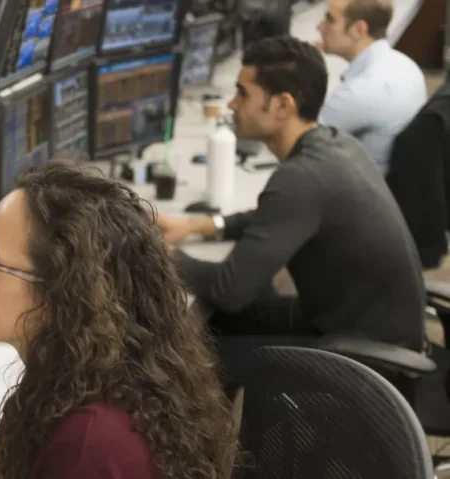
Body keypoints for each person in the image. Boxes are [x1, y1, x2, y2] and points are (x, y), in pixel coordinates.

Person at [0, 163, 239, 479]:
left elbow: (71, 456)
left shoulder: (90, 441)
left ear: (58, 294)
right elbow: (38, 453)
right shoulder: (103, 374)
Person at [156, 37, 425, 355]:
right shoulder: (337, 144)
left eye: (243, 94)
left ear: (283, 105)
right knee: (223, 322)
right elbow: (274, 218)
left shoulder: (301, 178)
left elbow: (228, 290)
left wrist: (160, 254)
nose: (231, 104)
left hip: (365, 365)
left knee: (186, 356)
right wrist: (196, 226)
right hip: (371, 334)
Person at [315, 0, 427, 174]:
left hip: (357, 193)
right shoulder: (406, 65)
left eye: (330, 19)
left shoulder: (359, 91)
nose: (319, 26)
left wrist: (301, 68)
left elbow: (299, 144)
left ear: (358, 29)